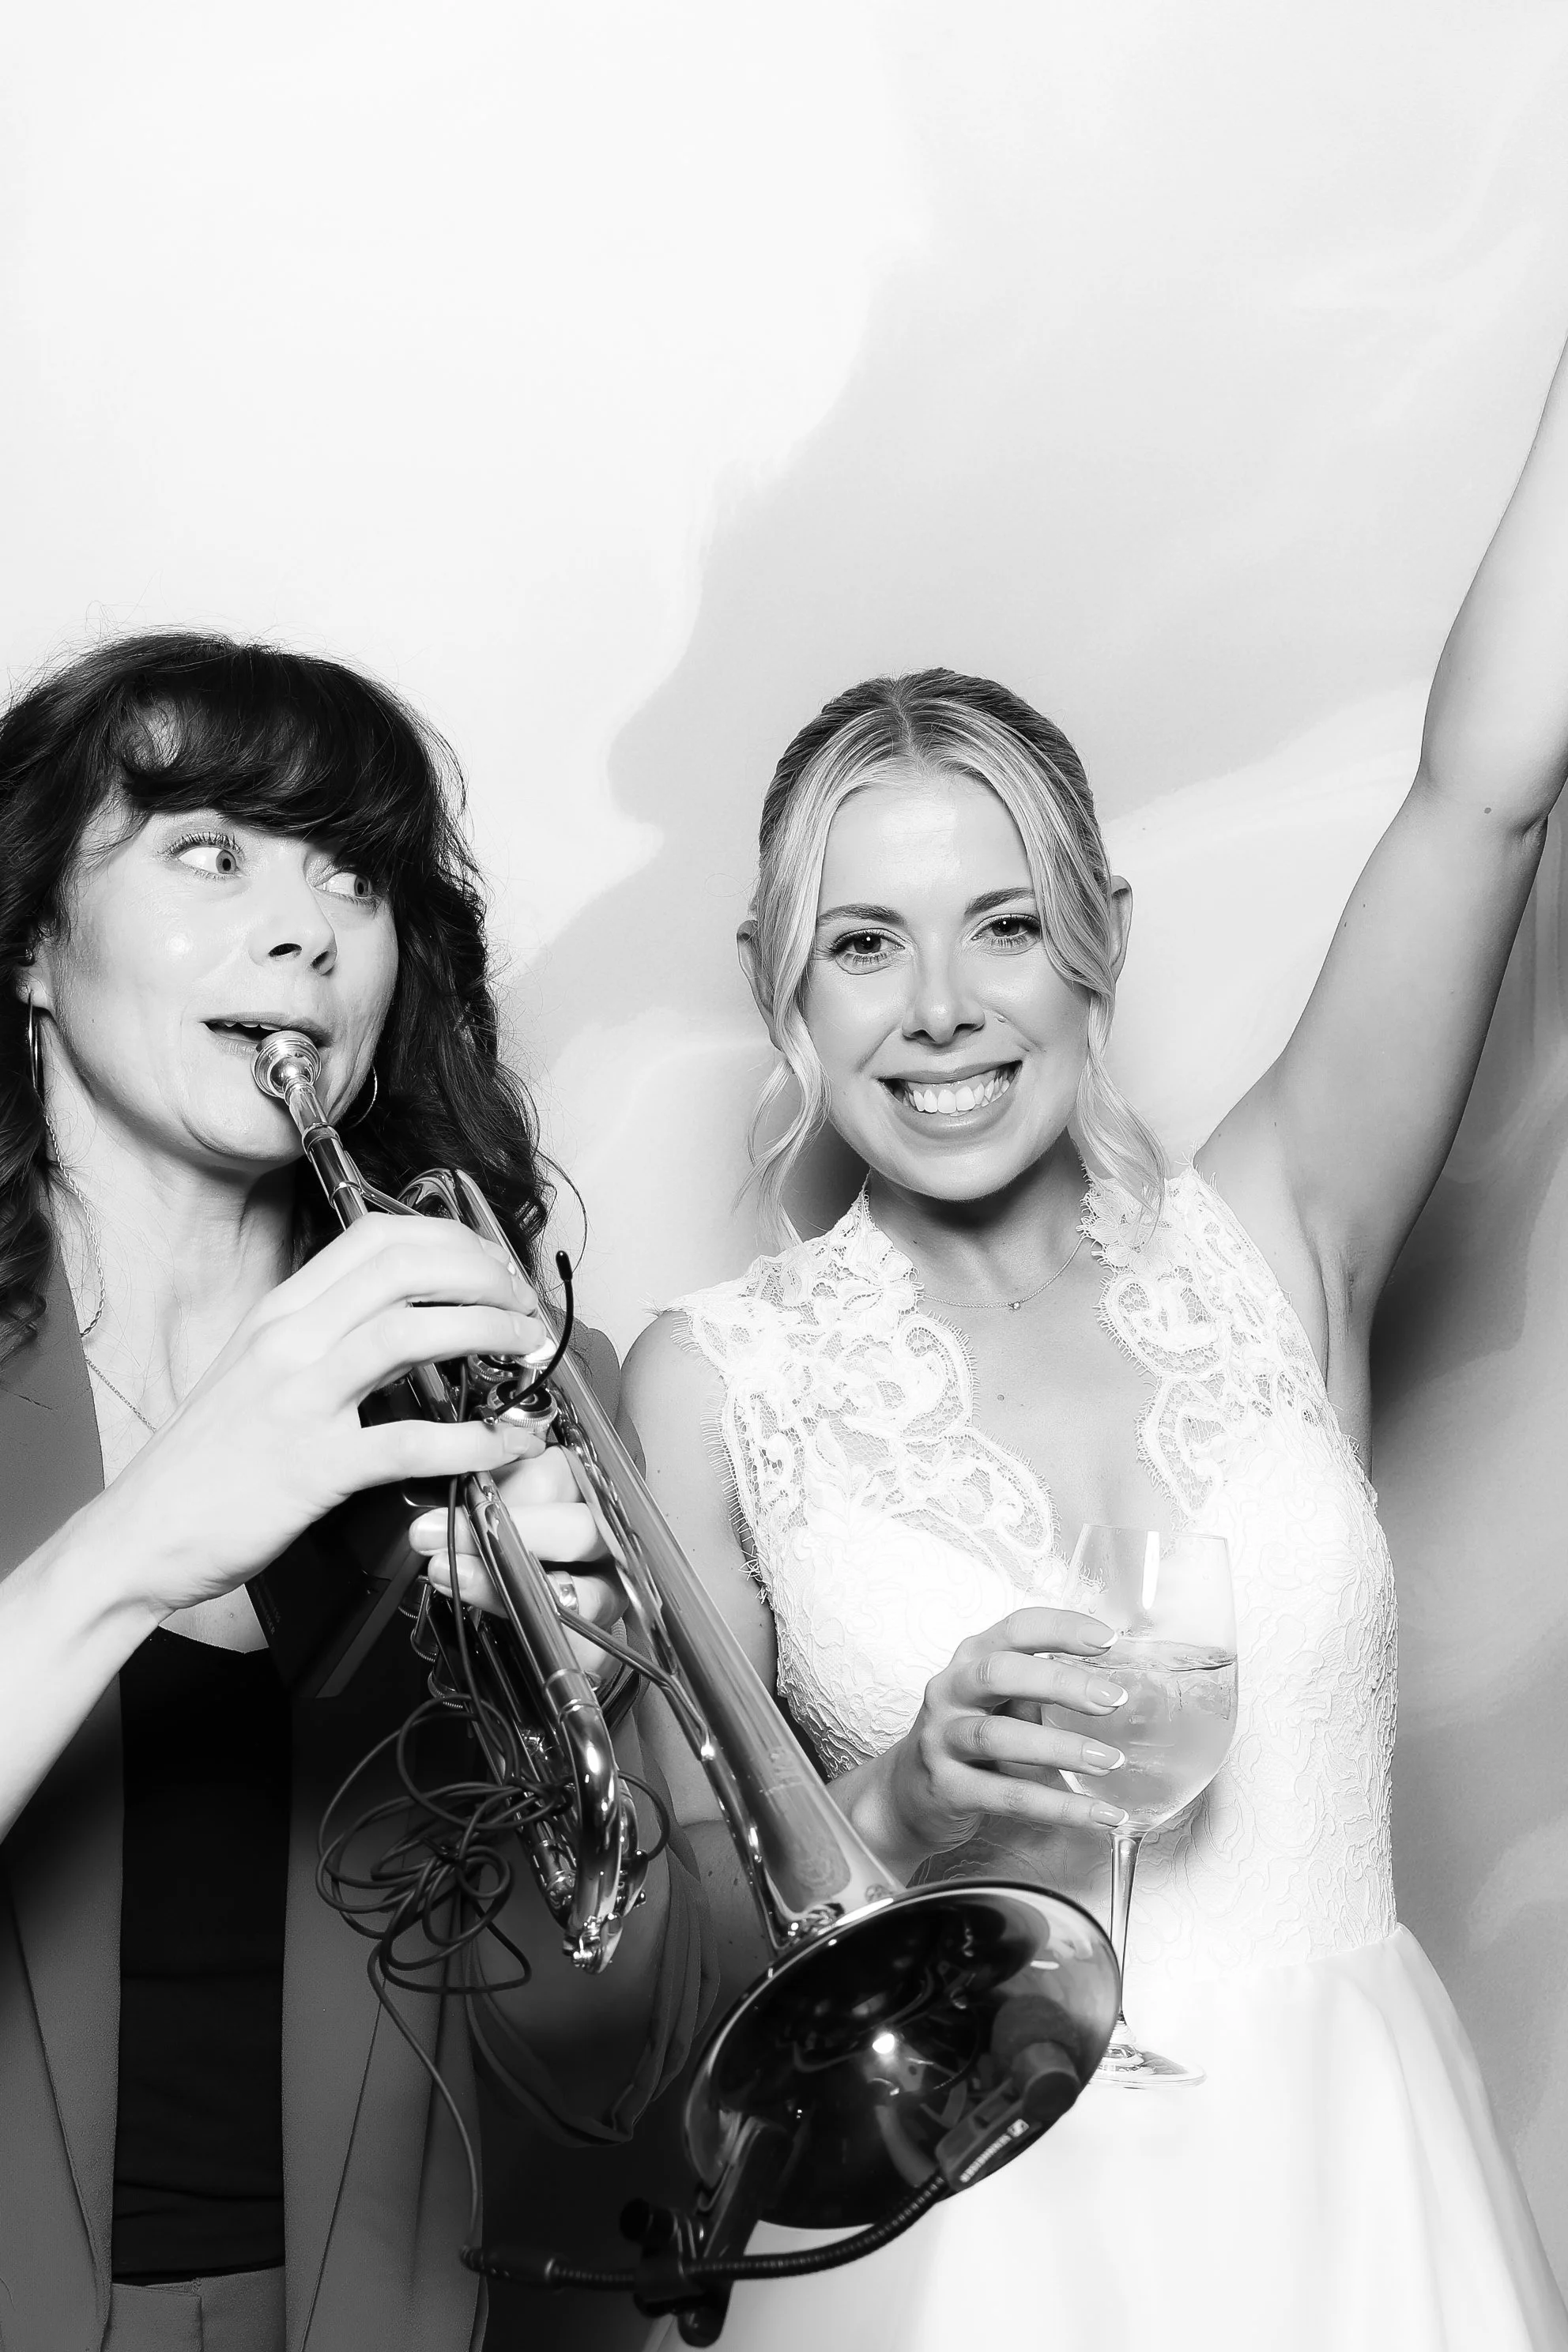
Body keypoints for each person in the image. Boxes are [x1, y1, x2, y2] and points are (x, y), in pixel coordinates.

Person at [615, 329, 1568, 2348]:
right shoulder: (709, 1384)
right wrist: (905, 1814)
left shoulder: (1278, 1228)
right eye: (862, 942)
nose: (939, 1005)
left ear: (1101, 939)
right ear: (775, 988)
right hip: (967, 2268)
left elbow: (1482, 791)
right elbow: (674, 1956)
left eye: (1004, 923)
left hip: (1347, 2211)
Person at [0, 634, 713, 2352]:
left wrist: (584, 1707)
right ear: (28, 940)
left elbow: (620, 2067)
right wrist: (138, 1544)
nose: (307, 925)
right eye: (208, 849)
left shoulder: (513, 1389)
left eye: (357, 877)